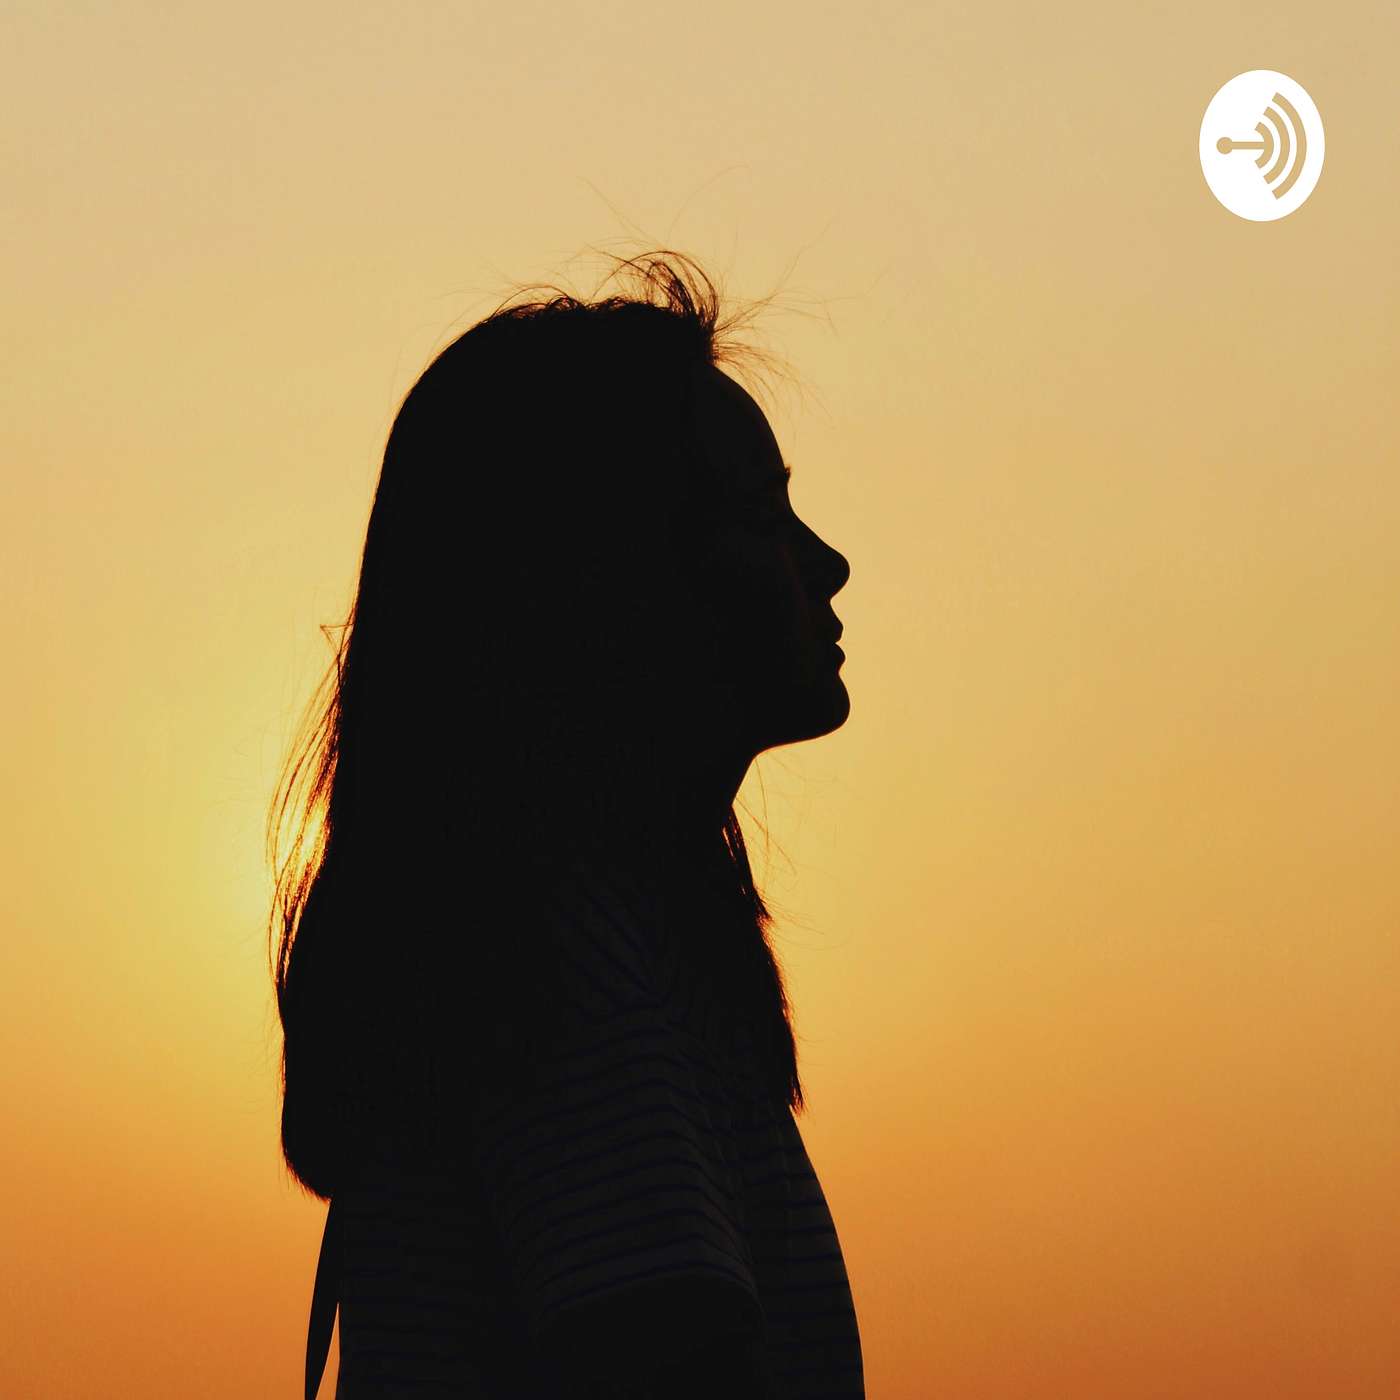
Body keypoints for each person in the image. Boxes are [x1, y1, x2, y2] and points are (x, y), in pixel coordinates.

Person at [270, 249, 862, 1398]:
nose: (825, 563)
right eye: (760, 515)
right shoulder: (556, 962)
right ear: (613, 583)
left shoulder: (564, 939)